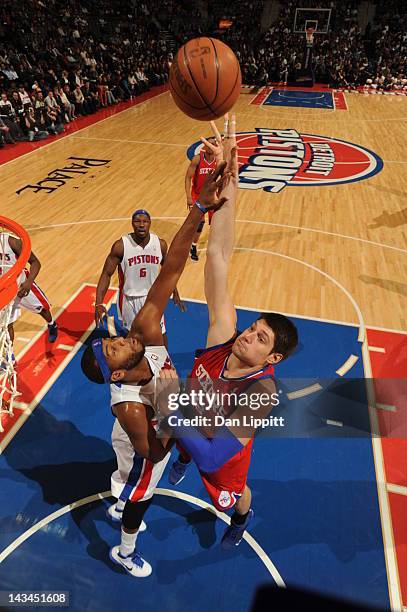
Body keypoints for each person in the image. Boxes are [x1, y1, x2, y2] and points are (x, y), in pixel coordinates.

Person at [81, 163, 229, 577]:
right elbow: (155, 448)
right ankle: (125, 551)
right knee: (140, 494)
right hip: (147, 436)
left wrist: (199, 208)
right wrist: (168, 404)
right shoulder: (126, 406)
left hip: (156, 410)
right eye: (113, 348)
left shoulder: (144, 328)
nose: (121, 339)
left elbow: (173, 266)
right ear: (115, 373)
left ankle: (120, 491)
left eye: (113, 337)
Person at [168, 116, 298, 548]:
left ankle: (241, 520)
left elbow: (213, 453)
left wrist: (164, 405)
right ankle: (179, 455)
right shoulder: (224, 334)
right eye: (253, 328)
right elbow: (220, 255)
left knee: (231, 497)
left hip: (223, 451)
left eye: (260, 339)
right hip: (193, 413)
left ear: (272, 360)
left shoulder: (259, 394)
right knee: (185, 443)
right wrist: (229, 183)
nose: (247, 336)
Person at [94, 209, 185, 346]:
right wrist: (99, 302)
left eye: (145, 222)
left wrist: (174, 290)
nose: (141, 225)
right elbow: (106, 274)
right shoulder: (120, 246)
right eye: (137, 221)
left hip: (154, 298)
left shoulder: (160, 245)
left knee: (160, 334)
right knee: (134, 341)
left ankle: (164, 363)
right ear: (132, 223)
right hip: (130, 299)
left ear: (150, 223)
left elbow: (168, 271)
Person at [0, 233, 58, 344]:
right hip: (4, 288)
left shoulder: (11, 242)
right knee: (7, 323)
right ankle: (10, 354)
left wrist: (28, 283)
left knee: (42, 309)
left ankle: (52, 324)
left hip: (22, 283)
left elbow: (36, 263)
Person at [184, 136, 218, 261]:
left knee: (215, 223)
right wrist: (188, 197)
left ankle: (214, 246)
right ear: (204, 146)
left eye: (213, 144)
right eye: (209, 144)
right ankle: (193, 246)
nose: (211, 146)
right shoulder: (197, 159)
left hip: (212, 195)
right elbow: (188, 178)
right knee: (200, 223)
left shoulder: (218, 161)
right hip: (197, 195)